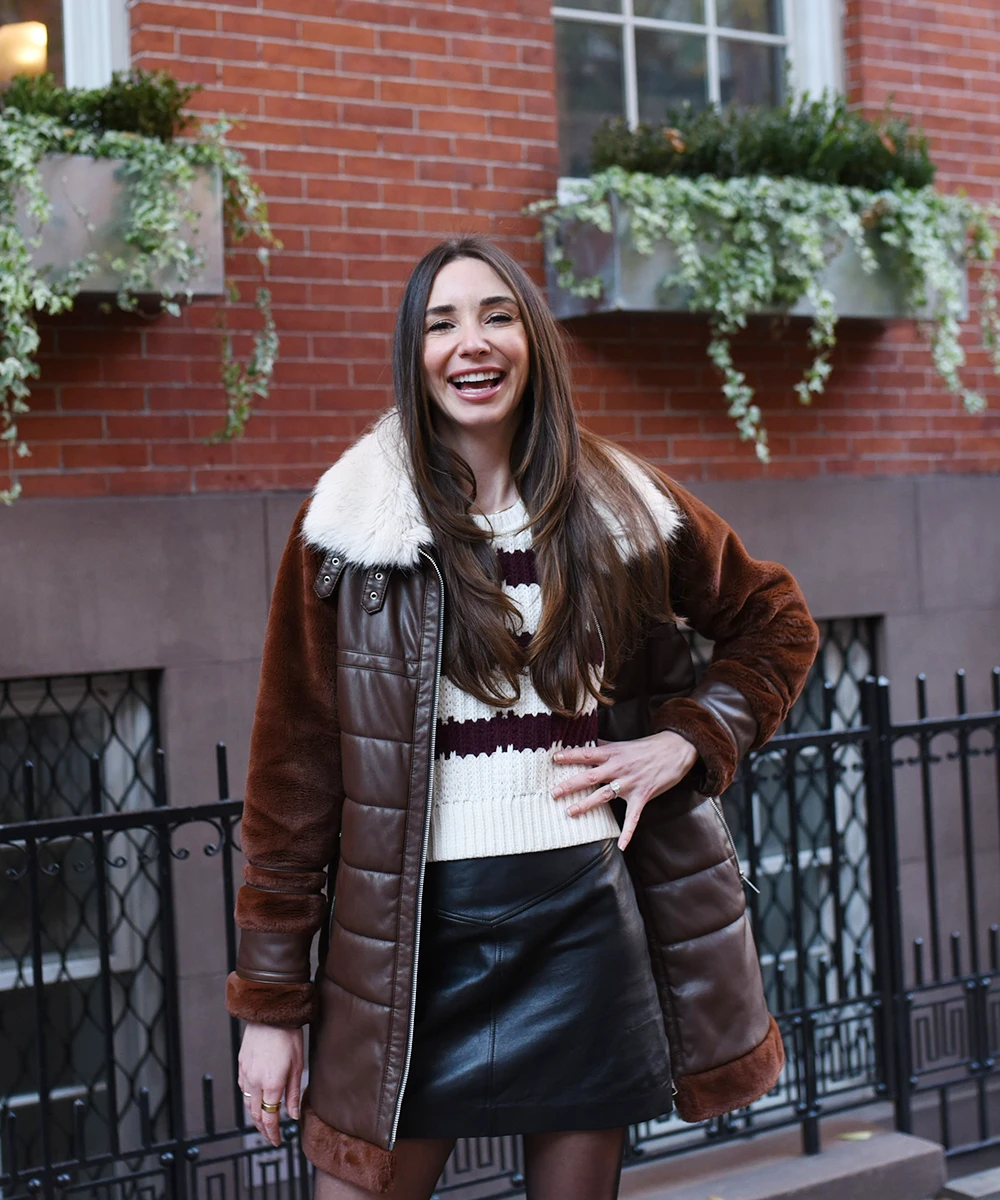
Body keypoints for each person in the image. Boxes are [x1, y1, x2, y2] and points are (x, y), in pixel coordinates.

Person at [226, 236, 819, 1200]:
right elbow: (290, 780)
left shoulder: (620, 504)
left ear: (533, 339)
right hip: (411, 952)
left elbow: (776, 620)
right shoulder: (348, 527)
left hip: (582, 926)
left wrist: (688, 739)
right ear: (415, 356)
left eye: (496, 316)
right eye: (442, 324)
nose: (473, 342)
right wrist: (271, 1005)